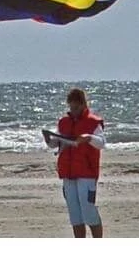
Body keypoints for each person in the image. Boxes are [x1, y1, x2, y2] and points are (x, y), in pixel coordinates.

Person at [44, 87, 106, 238]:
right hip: (68, 173)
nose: (74, 110)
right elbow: (56, 143)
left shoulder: (92, 122)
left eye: (77, 107)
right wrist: (49, 140)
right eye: (71, 107)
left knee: (88, 210)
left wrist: (88, 137)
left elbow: (102, 143)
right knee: (75, 214)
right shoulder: (64, 122)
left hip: (86, 173)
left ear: (84, 104)